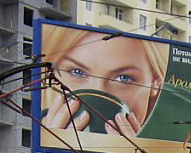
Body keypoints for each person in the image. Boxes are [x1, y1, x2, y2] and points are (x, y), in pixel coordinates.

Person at [40, 27, 169, 138]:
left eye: (124, 78)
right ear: (50, 74)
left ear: (155, 84)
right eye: (77, 72)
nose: (99, 91)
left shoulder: (170, 147)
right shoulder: (34, 133)